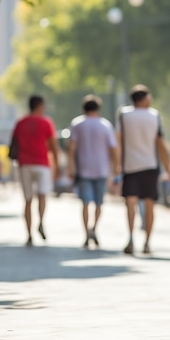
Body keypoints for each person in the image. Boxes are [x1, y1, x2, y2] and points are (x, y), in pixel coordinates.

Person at [116, 84, 170, 255]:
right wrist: (168, 166)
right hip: (150, 166)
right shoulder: (154, 115)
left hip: (130, 165)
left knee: (130, 204)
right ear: (145, 98)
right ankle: (147, 242)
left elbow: (118, 141)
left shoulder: (123, 115)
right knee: (149, 204)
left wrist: (118, 165)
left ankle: (131, 238)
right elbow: (160, 144)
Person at [67, 94, 118, 249]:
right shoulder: (105, 125)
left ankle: (86, 233)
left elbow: (71, 148)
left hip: (83, 168)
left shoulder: (77, 124)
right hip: (102, 169)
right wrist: (116, 167)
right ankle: (94, 228)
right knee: (99, 203)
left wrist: (70, 166)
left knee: (85, 203)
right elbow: (113, 148)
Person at [10, 95, 59, 246]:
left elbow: (13, 143)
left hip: (24, 164)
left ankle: (29, 234)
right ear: (40, 106)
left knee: (28, 200)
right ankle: (41, 221)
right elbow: (53, 146)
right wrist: (56, 165)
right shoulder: (46, 122)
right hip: (42, 164)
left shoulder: (20, 122)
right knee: (42, 196)